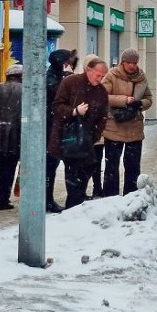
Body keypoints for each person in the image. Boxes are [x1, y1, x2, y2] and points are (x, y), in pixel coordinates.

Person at [47, 56, 109, 209]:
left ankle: (75, 206)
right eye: (97, 75)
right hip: (67, 139)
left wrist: (95, 134)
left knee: (88, 168)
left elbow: (103, 116)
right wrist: (74, 111)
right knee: (73, 175)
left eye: (102, 76)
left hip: (86, 141)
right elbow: (57, 107)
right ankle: (73, 208)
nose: (99, 79)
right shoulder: (70, 82)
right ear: (88, 70)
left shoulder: (101, 91)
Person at [101, 48, 153, 197]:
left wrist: (140, 104)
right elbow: (103, 96)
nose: (132, 66)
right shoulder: (112, 75)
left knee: (133, 166)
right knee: (112, 165)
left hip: (134, 129)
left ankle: (132, 195)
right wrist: (124, 100)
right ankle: (110, 197)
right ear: (122, 62)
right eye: (129, 62)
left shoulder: (141, 77)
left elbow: (149, 99)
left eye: (134, 63)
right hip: (114, 127)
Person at [45, 48, 78, 213]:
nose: (71, 65)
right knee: (49, 166)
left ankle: (49, 199)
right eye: (69, 61)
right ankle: (46, 200)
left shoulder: (56, 76)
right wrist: (67, 77)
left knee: (55, 164)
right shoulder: (51, 78)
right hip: (51, 127)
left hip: (58, 127)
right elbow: (62, 95)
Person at [0, 64, 23, 210]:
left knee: (1, 167)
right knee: (10, 166)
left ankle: (0, 199)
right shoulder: (24, 90)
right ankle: (4, 199)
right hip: (16, 133)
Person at [83, 53, 105, 199]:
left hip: (95, 134)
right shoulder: (80, 85)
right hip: (87, 134)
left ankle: (97, 187)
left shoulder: (100, 87)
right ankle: (93, 188)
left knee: (95, 163)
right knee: (90, 164)